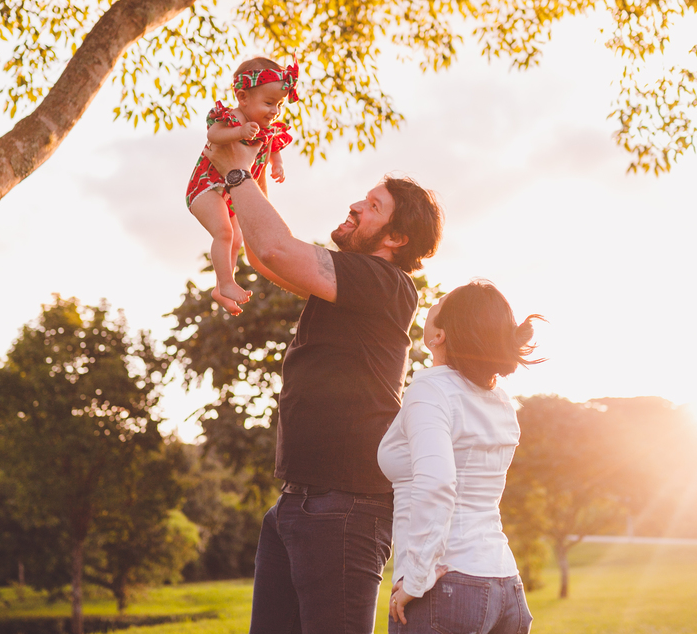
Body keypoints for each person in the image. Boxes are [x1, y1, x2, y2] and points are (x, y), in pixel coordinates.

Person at [205, 139, 443, 634]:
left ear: (396, 238)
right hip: (299, 502)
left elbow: (275, 248)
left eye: (373, 206)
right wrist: (254, 161)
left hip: (346, 505)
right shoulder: (350, 283)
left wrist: (236, 173)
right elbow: (264, 256)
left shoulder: (385, 283)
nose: (356, 204)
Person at [378, 280, 542, 634]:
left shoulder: (430, 390)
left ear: (440, 336)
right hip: (505, 586)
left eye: (441, 304)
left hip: (447, 588)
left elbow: (437, 483)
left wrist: (417, 577)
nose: (433, 305)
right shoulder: (500, 402)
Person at [186, 57, 298, 314]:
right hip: (205, 188)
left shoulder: (265, 128)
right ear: (242, 97)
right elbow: (213, 135)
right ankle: (226, 282)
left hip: (230, 193)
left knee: (235, 238)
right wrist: (239, 132)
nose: (275, 111)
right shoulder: (234, 118)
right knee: (224, 233)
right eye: (269, 103)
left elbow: (272, 147)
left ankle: (221, 288)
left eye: (279, 104)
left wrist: (276, 163)